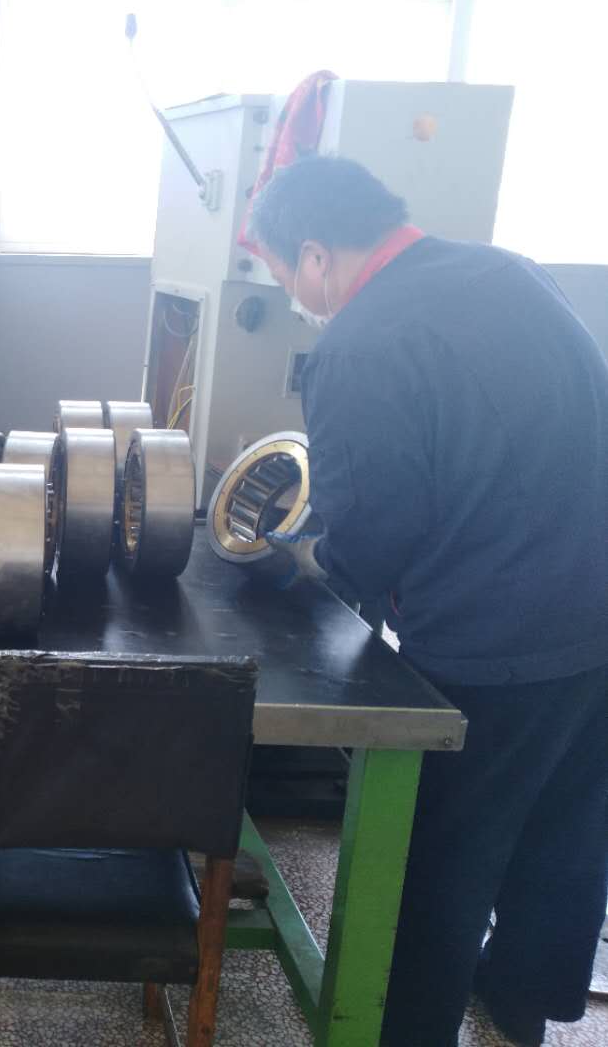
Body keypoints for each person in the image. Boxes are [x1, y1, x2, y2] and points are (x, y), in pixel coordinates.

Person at [245, 155, 608, 1046]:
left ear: (315, 254)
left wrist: (302, 562)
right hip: (595, 604)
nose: (294, 294)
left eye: (285, 273)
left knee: (440, 850)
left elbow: (373, 530)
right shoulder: (509, 272)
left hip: (496, 637)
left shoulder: (358, 344)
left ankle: (404, 1029)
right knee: (565, 825)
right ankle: (523, 998)